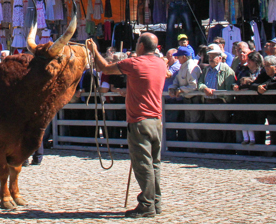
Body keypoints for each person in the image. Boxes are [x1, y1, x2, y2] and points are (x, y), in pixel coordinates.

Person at [86, 33, 166, 219]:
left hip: (139, 120)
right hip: (156, 119)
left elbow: (103, 67)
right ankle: (156, 201)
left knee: (143, 164)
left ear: (140, 46)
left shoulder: (135, 63)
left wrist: (94, 51)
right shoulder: (161, 63)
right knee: (154, 164)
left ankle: (146, 204)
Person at [197, 44, 236, 145]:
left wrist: (225, 102)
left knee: (224, 128)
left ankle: (226, 149)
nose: (211, 59)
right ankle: (212, 149)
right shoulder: (206, 70)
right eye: (210, 57)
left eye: (213, 56)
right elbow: (200, 83)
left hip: (221, 103)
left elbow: (229, 89)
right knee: (210, 128)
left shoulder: (227, 70)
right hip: (208, 103)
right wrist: (204, 88)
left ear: (220, 58)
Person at [168, 46, 202, 144]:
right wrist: (172, 88)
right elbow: (176, 80)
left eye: (178, 56)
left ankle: (196, 147)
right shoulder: (183, 66)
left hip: (194, 100)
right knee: (188, 125)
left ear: (184, 57)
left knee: (194, 125)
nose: (177, 58)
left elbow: (193, 85)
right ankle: (190, 147)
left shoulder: (191, 67)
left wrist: (181, 90)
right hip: (187, 100)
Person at [234, 52, 264, 145]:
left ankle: (260, 148)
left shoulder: (262, 72)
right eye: (248, 60)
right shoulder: (243, 71)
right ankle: (246, 145)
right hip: (245, 102)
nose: (248, 62)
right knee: (246, 122)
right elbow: (237, 82)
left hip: (259, 102)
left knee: (259, 126)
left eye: (251, 60)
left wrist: (251, 84)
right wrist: (235, 86)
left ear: (256, 61)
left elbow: (263, 84)